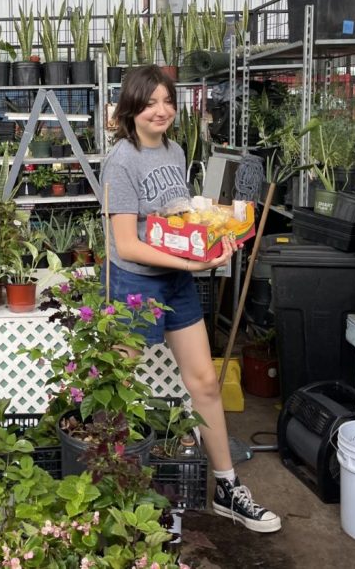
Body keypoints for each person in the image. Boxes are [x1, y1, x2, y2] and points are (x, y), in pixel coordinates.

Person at [100, 64, 281, 533]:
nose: (160, 111)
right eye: (150, 102)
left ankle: (227, 486)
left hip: (178, 278)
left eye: (167, 101)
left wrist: (211, 233)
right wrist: (192, 264)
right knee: (120, 384)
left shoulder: (176, 149)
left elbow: (174, 221)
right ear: (131, 109)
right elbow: (126, 243)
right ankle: (106, 481)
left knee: (203, 382)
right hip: (137, 283)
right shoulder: (121, 161)